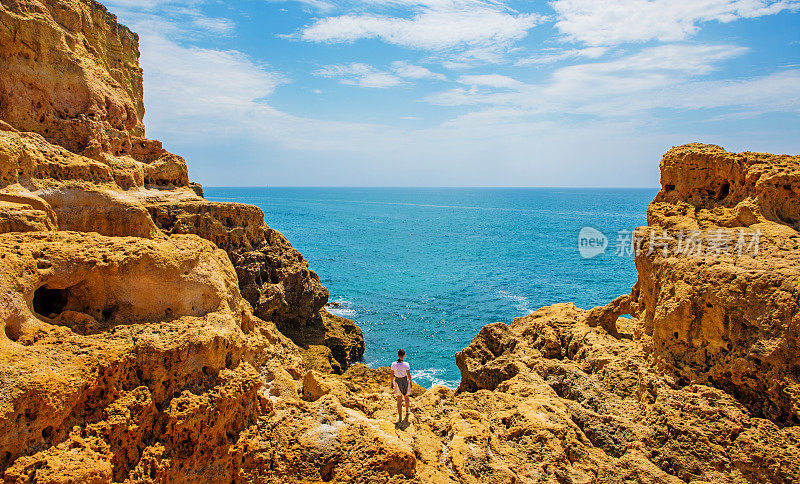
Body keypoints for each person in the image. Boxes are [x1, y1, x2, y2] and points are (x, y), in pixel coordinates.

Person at [389, 348, 412, 422]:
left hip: (397, 381)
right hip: (405, 381)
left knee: (399, 400)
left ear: (398, 355)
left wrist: (391, 382)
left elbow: (392, 375)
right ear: (404, 355)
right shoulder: (406, 364)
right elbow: (409, 375)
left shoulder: (393, 364)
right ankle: (407, 411)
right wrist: (411, 382)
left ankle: (400, 417)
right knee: (406, 397)